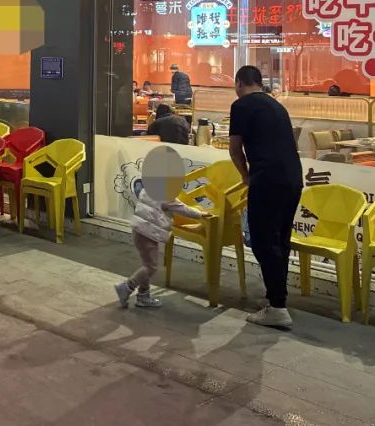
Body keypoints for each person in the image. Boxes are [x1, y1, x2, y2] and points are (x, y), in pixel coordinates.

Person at [228, 65, 303, 330]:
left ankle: (277, 307)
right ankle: (278, 299)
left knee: (263, 241)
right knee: (280, 239)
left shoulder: (241, 105)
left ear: (239, 83)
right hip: (293, 178)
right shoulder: (277, 106)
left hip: (267, 179)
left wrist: (245, 176)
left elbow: (235, 149)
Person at [114, 155, 211, 309]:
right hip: (148, 234)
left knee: (146, 264)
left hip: (139, 230)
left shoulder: (148, 188)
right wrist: (201, 214)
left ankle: (143, 296)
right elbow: (183, 209)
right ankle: (127, 287)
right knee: (151, 267)